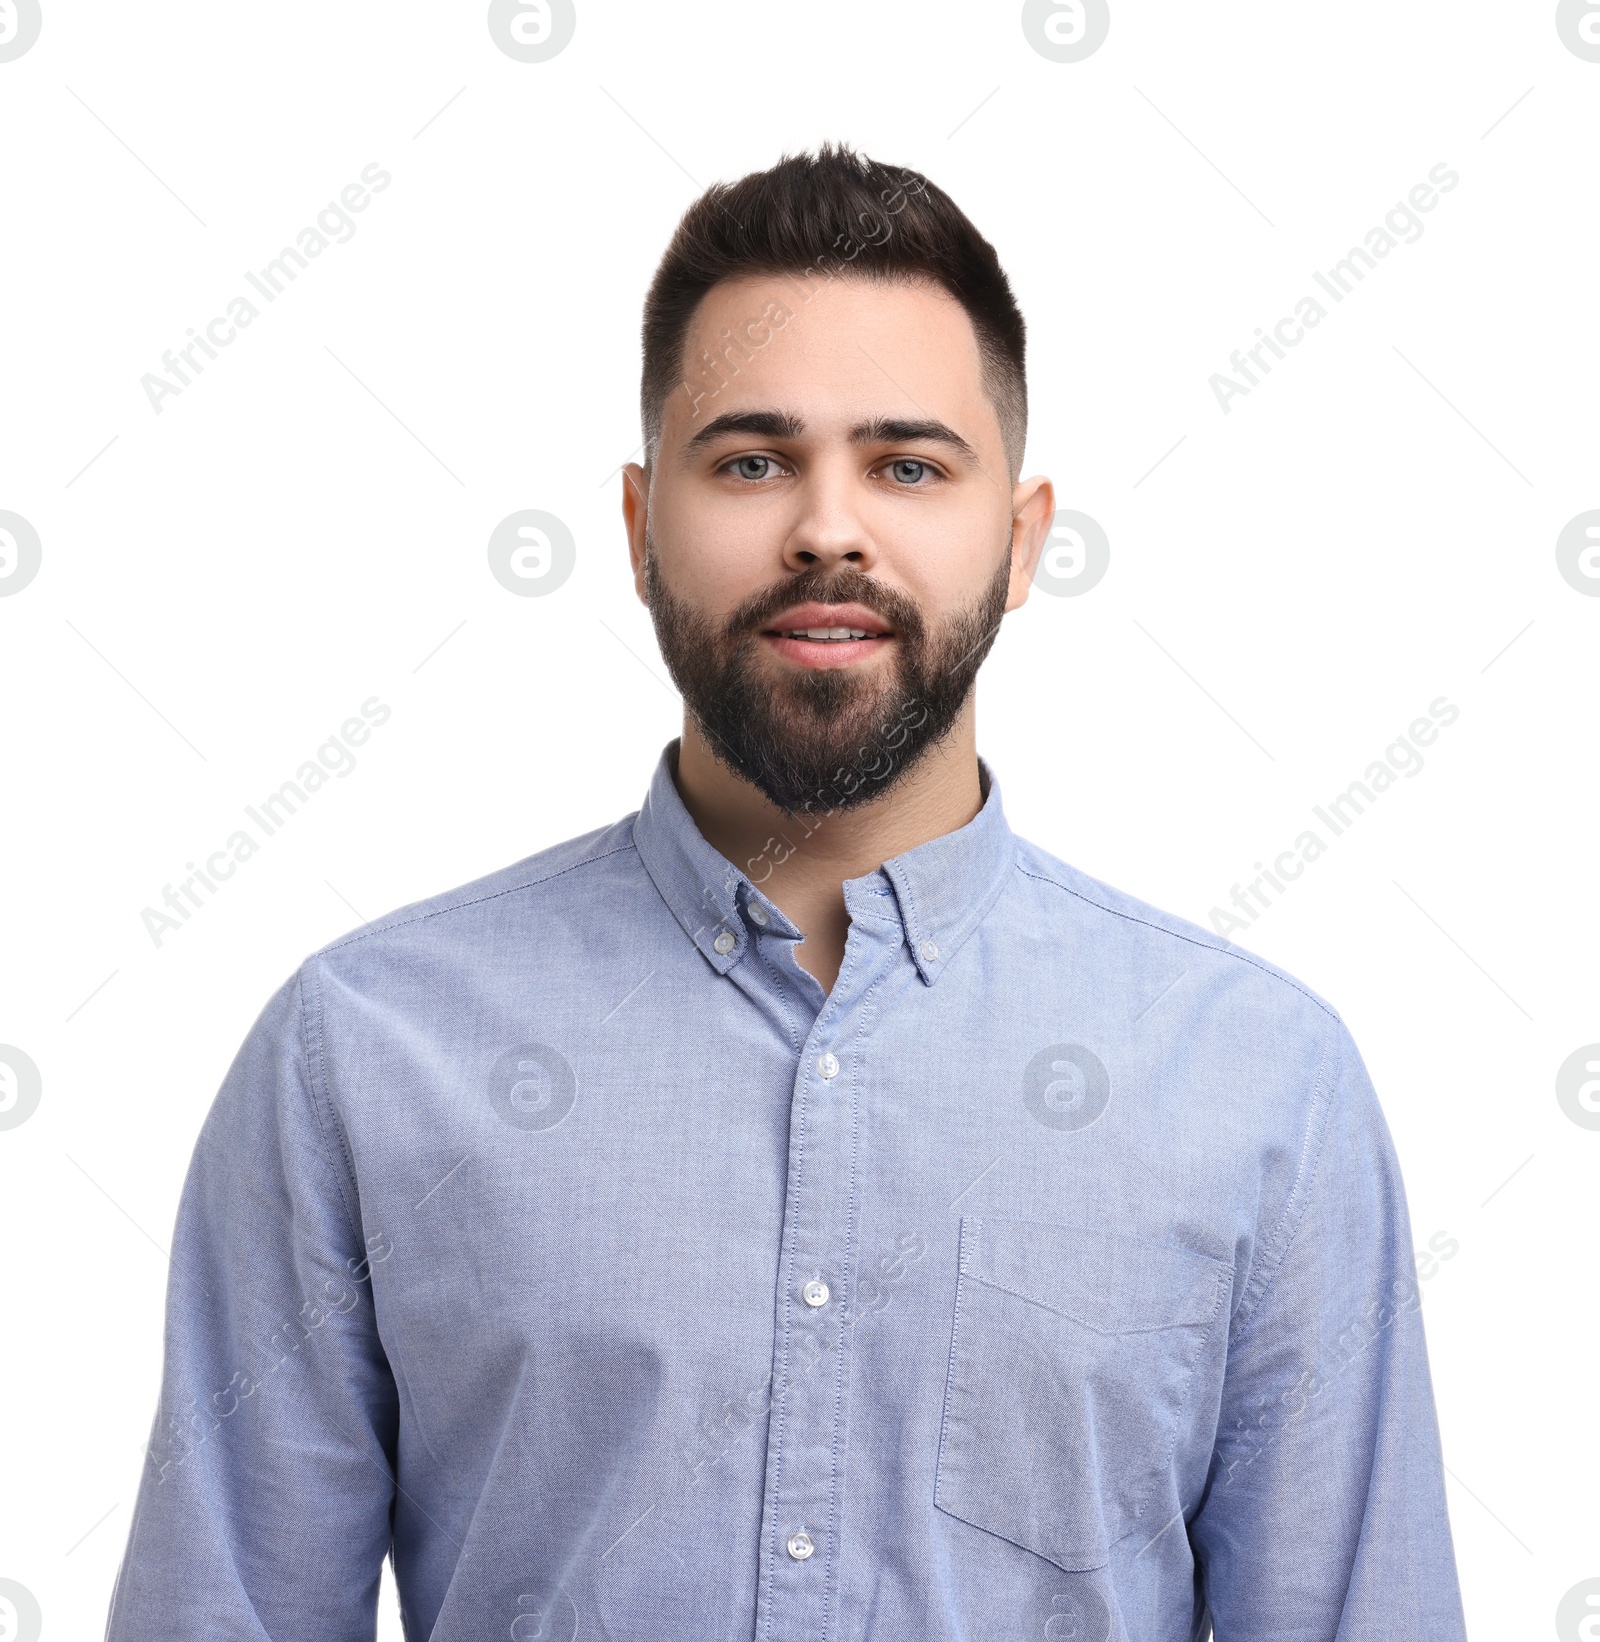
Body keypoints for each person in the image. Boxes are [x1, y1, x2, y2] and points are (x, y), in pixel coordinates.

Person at [106, 144, 1468, 1642]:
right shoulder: (360, 1054)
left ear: (1020, 540)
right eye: (752, 460)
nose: (829, 527)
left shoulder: (1261, 1085)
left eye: (908, 464)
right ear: (637, 528)